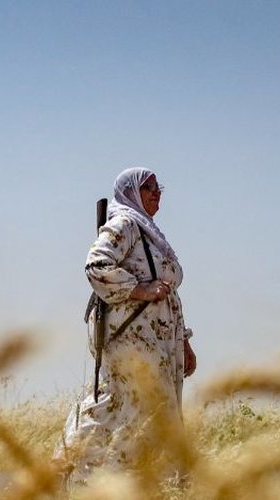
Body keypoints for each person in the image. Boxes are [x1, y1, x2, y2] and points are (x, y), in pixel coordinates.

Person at [58, 167, 196, 481]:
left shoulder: (150, 233)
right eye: (148, 188)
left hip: (157, 338)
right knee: (130, 400)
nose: (156, 193)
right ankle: (84, 468)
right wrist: (139, 290)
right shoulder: (124, 224)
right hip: (130, 335)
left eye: (158, 187)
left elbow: (169, 292)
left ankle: (117, 475)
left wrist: (183, 340)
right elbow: (97, 264)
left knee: (133, 404)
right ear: (131, 192)